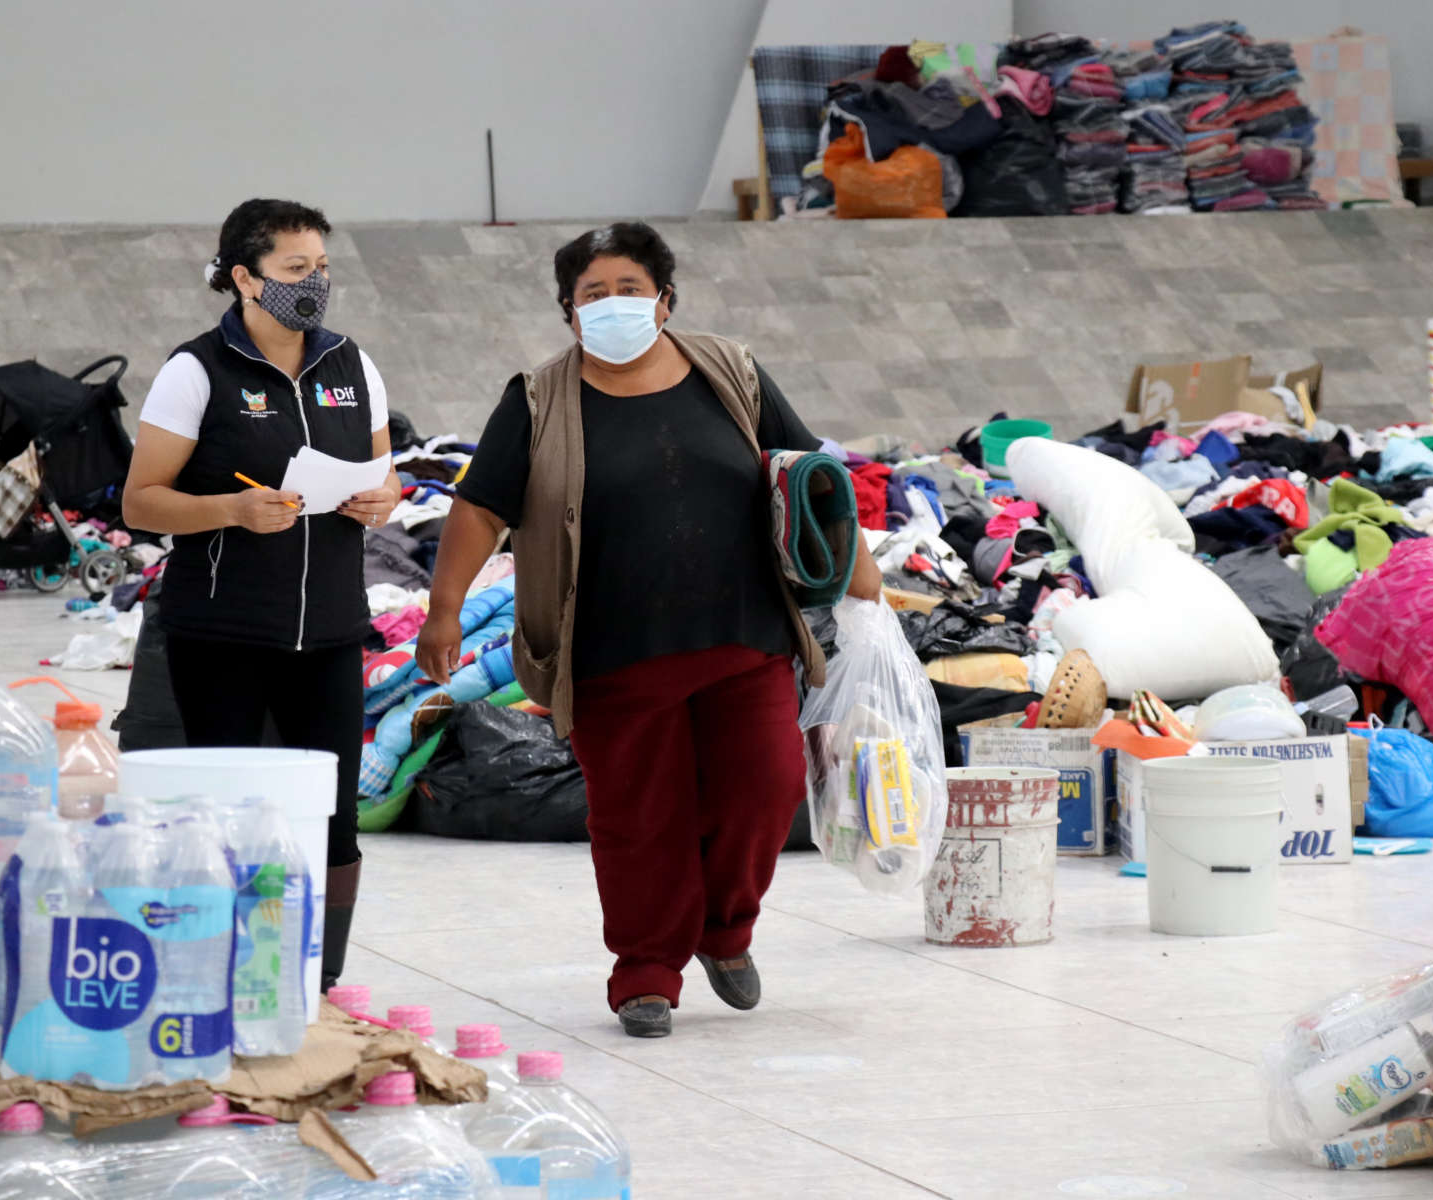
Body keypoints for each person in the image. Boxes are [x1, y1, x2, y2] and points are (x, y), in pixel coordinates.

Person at [417, 222, 882, 1038]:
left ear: (665, 299)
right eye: (592, 294)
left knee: (765, 792)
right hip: (612, 653)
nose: (612, 305)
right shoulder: (538, 398)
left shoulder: (729, 372)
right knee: (638, 819)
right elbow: (481, 505)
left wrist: (866, 589)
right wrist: (444, 609)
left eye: (629, 289)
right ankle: (646, 972)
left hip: (745, 637)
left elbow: (809, 471)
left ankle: (725, 932)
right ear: (568, 314)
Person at [122, 198, 400, 991]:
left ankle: (321, 982)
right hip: (224, 634)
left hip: (334, 631)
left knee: (335, 817)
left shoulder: (353, 364)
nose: (312, 284)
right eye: (293, 270)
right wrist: (230, 512)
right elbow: (140, 502)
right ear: (244, 277)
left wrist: (381, 496)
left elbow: (386, 474)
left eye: (320, 268)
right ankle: (221, 972)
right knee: (229, 813)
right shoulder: (196, 370)